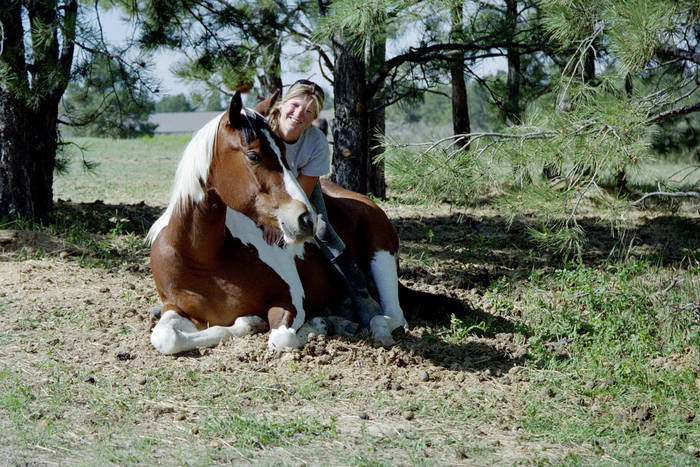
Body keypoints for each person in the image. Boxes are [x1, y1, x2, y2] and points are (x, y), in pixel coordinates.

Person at [265, 79, 381, 329]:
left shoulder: (315, 142)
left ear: (315, 116)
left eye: (309, 111)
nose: (299, 115)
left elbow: (301, 194)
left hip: (298, 188)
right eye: (295, 105)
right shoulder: (264, 128)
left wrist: (277, 223)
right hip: (264, 191)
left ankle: (362, 297)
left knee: (321, 229)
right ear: (284, 103)